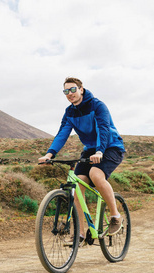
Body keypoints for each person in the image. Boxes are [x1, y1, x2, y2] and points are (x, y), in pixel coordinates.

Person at [38, 77, 126, 246]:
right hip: (91, 150)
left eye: (72, 90)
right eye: (66, 91)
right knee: (76, 186)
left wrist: (100, 150)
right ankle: (79, 233)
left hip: (111, 146)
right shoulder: (69, 112)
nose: (69, 94)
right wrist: (49, 154)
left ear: (81, 89)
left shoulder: (97, 106)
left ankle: (116, 217)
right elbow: (62, 133)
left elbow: (103, 129)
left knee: (95, 174)